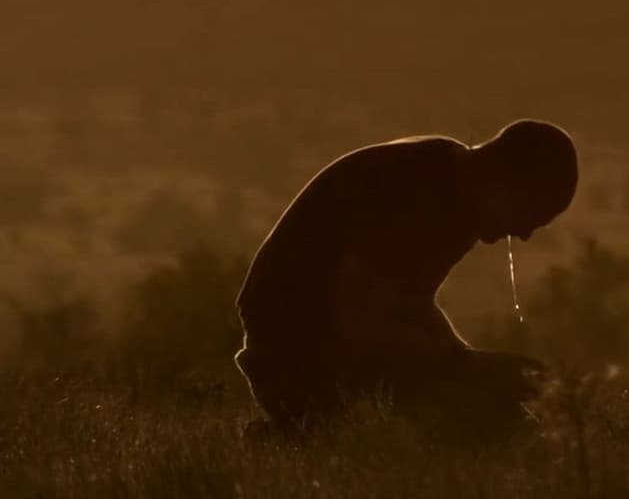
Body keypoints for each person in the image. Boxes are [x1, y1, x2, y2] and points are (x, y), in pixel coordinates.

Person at [234, 119, 578, 436]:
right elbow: (362, 318)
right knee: (477, 422)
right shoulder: (414, 188)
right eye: (532, 214)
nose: (524, 233)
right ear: (508, 182)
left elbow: (408, 306)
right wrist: (464, 366)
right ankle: (300, 430)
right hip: (293, 354)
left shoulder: (451, 187)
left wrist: (465, 361)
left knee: (496, 410)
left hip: (318, 345)